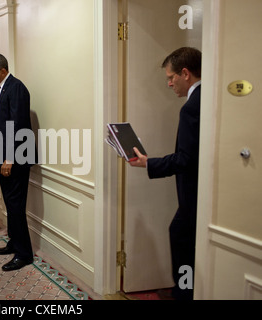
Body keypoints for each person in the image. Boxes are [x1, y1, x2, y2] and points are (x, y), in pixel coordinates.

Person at [129, 47, 202, 300]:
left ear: (185, 73)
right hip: (199, 194)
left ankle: (183, 293)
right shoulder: (206, 97)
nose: (170, 84)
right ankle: (183, 290)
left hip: (194, 195)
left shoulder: (192, 106)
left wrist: (149, 164)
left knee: (180, 237)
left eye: (171, 78)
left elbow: (186, 159)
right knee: (182, 236)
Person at [0, 53, 35, 271]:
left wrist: (9, 157)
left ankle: (24, 254)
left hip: (16, 158)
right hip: (5, 154)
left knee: (15, 206)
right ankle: (14, 243)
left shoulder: (17, 88)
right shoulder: (3, 86)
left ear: (3, 71)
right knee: (10, 204)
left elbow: (18, 125)